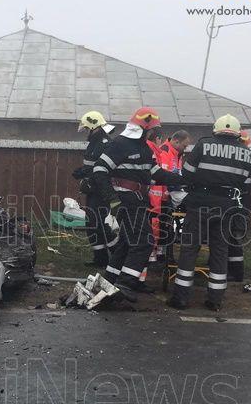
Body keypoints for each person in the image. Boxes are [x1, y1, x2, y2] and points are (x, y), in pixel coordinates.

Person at [167, 114, 251, 311]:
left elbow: (187, 173)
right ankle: (215, 300)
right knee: (220, 251)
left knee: (189, 249)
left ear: (216, 130)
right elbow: (249, 184)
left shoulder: (203, 145)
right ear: (237, 133)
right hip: (227, 207)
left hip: (199, 204)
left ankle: (181, 298)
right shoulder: (247, 153)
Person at [91, 107, 182, 301]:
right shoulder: (120, 144)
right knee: (144, 241)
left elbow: (155, 174)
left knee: (127, 242)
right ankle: (124, 285)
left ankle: (109, 281)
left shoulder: (144, 148)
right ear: (144, 128)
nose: (154, 133)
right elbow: (99, 169)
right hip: (125, 200)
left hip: (138, 200)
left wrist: (184, 179)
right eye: (152, 129)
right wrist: (113, 199)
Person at [72, 111, 117, 267]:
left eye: (86, 128)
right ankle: (100, 259)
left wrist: (86, 173)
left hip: (102, 191)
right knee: (92, 223)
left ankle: (117, 257)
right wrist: (82, 171)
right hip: (93, 190)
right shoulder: (94, 142)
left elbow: (105, 169)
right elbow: (91, 164)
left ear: (93, 127)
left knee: (101, 225)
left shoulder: (105, 143)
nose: (85, 131)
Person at [147, 130, 191, 271]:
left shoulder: (176, 153)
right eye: (184, 146)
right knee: (156, 225)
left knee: (164, 226)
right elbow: (164, 176)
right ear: (176, 141)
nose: (185, 149)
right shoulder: (165, 152)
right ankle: (153, 256)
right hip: (160, 194)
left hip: (167, 194)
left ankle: (161, 254)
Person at [226, 130, 251, 282]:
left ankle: (236, 272)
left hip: (240, 201)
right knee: (226, 234)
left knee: (234, 237)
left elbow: (247, 183)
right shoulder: (244, 157)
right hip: (237, 200)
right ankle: (224, 265)